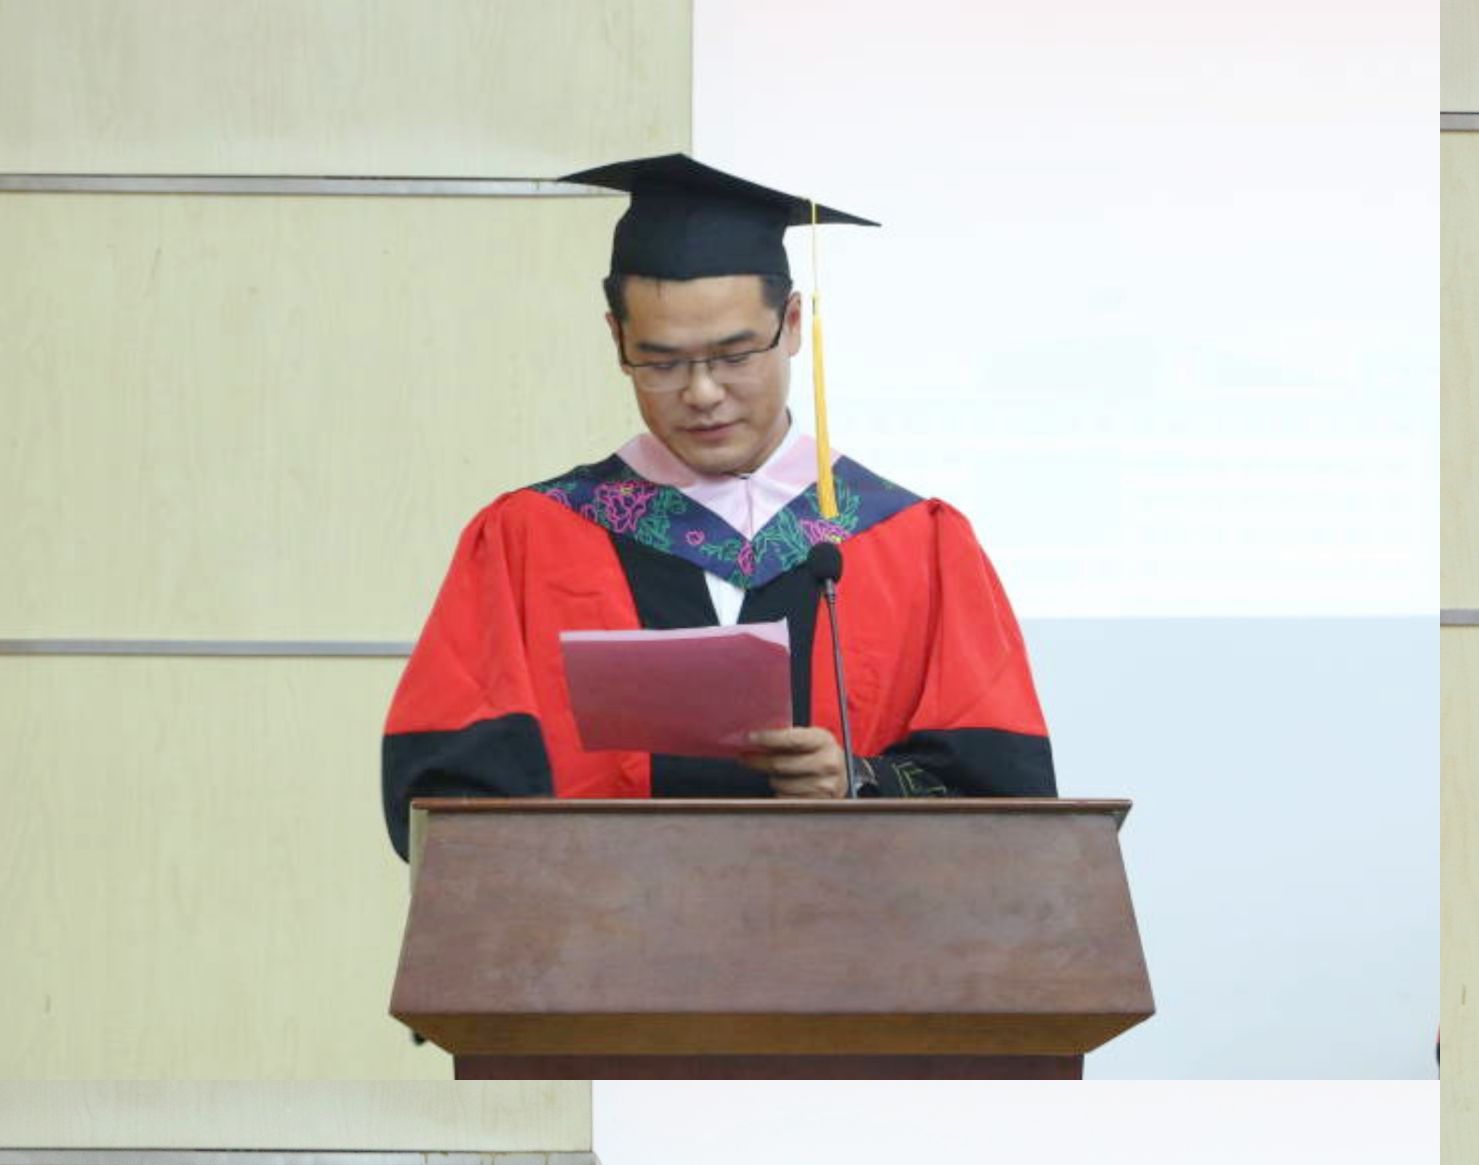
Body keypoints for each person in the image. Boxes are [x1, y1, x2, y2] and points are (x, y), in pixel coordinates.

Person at [380, 154, 1056, 858]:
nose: (702, 393)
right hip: (603, 922)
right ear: (617, 340)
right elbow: (441, 800)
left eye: (734, 356)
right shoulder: (528, 538)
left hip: (846, 923)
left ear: (791, 323)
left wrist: (860, 782)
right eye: (662, 361)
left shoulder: (915, 543)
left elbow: (1010, 806)